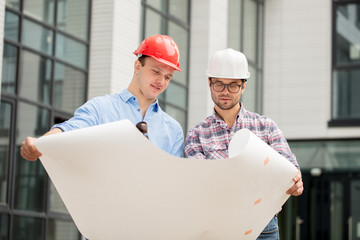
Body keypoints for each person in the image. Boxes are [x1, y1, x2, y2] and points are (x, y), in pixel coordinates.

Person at [185, 48, 303, 239]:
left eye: (233, 85)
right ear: (209, 83)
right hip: (218, 226)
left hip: (263, 227)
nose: (225, 92)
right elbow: (202, 184)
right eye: (219, 84)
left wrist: (295, 182)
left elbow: (291, 170)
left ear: (243, 86)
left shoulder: (266, 127)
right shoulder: (196, 135)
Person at [21, 34, 184, 162]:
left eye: (168, 77)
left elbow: (172, 178)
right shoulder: (101, 108)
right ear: (137, 66)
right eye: (156, 72)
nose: (161, 81)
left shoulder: (173, 130)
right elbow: (69, 130)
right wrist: (39, 143)